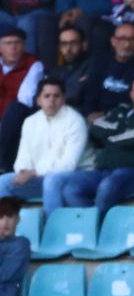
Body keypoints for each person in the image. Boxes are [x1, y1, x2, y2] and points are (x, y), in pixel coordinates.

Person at [58, 69, 134, 214]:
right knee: (71, 189)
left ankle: (99, 225)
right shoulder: (121, 110)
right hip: (107, 171)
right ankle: (94, 223)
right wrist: (120, 131)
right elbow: (96, 126)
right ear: (131, 93)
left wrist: (110, 136)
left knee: (107, 185)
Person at [0, 76, 86, 211]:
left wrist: (34, 172)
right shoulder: (30, 122)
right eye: (47, 96)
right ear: (38, 100)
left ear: (63, 99)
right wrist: (22, 171)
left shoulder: (75, 121)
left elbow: (69, 165)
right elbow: (23, 157)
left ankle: (52, 224)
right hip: (40, 177)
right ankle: (8, 222)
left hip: (75, 176)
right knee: (3, 182)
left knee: (52, 181)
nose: (51, 100)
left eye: (56, 96)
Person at [81, 18, 134, 117]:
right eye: (122, 39)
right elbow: (91, 94)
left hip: (128, 117)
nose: (127, 45)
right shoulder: (100, 62)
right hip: (99, 116)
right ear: (113, 41)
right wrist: (90, 114)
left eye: (132, 39)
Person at [0, 25, 45, 169]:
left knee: (15, 108)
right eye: (8, 43)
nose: (13, 48)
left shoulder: (33, 64)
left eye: (17, 43)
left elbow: (25, 99)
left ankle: (2, 163)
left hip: (17, 118)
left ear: (24, 46)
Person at [46, 22, 94, 107]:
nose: (68, 49)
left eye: (73, 43)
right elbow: (40, 97)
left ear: (84, 45)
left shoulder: (92, 66)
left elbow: (76, 96)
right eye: (64, 44)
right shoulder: (56, 71)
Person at [0, 197, 27, 296]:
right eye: (1, 217)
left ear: (18, 219)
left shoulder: (20, 244)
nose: (5, 222)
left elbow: (5, 274)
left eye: (10, 217)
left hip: (6, 295)